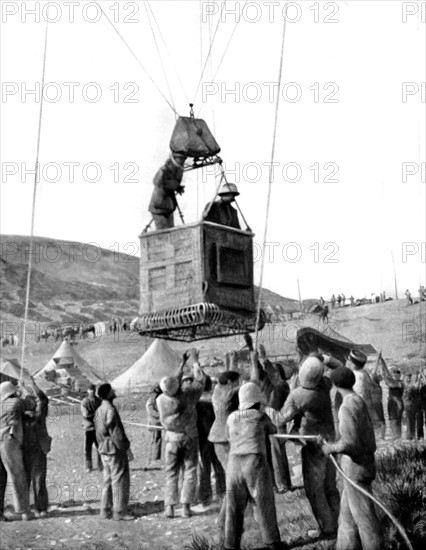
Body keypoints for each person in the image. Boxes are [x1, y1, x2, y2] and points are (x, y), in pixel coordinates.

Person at [266, 356, 340, 537]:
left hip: (314, 446)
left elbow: (279, 418)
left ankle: (328, 529)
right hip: (330, 441)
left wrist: (266, 407)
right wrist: (326, 358)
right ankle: (339, 524)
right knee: (330, 486)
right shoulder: (325, 384)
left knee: (315, 489)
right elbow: (339, 368)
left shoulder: (298, 395)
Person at [320, 366, 382, 550]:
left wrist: (330, 447)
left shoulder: (346, 407)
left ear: (334, 384)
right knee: (346, 519)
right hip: (360, 465)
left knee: (365, 520)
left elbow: (350, 443)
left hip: (356, 468)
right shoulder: (358, 400)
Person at [225, 378, 282, 550]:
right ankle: (272, 542)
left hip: (233, 464)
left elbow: (229, 438)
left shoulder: (231, 417)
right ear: (256, 401)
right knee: (263, 502)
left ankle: (230, 544)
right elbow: (274, 430)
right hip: (254, 461)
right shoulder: (261, 416)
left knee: (233, 505)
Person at [157, 349, 205, 519]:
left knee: (171, 473)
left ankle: (169, 507)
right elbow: (200, 381)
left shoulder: (161, 399)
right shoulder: (188, 395)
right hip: (189, 437)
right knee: (190, 471)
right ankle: (186, 507)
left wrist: (181, 364)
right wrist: (195, 362)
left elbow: (172, 385)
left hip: (171, 439)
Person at [94, 383, 132, 521]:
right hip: (113, 449)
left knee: (107, 480)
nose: (114, 391)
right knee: (119, 480)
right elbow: (116, 433)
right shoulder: (111, 410)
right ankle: (119, 512)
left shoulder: (99, 410)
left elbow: (98, 431)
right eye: (112, 390)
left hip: (103, 449)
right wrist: (125, 447)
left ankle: (105, 510)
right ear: (108, 393)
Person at [208, 370, 240, 529]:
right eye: (236, 381)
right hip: (223, 440)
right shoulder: (229, 394)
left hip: (219, 439)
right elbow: (250, 383)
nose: (238, 384)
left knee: (233, 480)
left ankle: (228, 517)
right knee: (233, 481)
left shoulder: (218, 390)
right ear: (229, 382)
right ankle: (222, 520)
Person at [0, 381, 31, 521]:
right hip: (9, 440)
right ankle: (22, 510)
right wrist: (23, 388)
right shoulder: (15, 402)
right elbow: (32, 403)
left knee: (1, 479)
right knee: (17, 474)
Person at [22, 376, 51, 517]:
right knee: (26, 480)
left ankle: (41, 508)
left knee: (39, 480)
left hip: (38, 449)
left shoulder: (39, 416)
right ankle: (27, 509)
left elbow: (44, 399)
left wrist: (32, 385)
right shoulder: (22, 417)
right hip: (25, 450)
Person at [195, 375, 226, 507]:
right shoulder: (216, 401)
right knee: (219, 467)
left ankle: (204, 498)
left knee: (204, 468)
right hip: (216, 437)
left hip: (203, 440)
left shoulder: (196, 403)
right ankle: (222, 494)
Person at [266, 363, 292, 494]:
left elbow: (273, 407)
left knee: (277, 455)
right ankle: (286, 483)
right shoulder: (283, 385)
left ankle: (282, 484)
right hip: (280, 423)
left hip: (276, 423)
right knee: (281, 455)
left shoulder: (278, 388)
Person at [148, 152, 187, 230]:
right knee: (162, 232)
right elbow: (156, 181)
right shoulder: (164, 169)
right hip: (158, 207)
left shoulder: (176, 170)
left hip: (168, 207)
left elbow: (171, 183)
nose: (183, 161)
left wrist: (177, 187)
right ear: (175, 158)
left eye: (184, 159)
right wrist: (174, 185)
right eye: (181, 159)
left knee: (170, 230)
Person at [380, 356, 404, 438]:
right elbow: (386, 376)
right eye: (394, 374)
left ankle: (397, 436)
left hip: (397, 403)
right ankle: (395, 436)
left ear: (399, 375)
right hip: (392, 402)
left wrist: (383, 363)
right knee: (392, 419)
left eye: (397, 374)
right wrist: (382, 362)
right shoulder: (393, 381)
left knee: (396, 420)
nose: (395, 376)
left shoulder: (400, 383)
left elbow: (389, 380)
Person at [81, 384, 102, 472]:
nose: (92, 392)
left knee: (100, 447)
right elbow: (85, 415)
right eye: (90, 390)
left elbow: (102, 413)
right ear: (88, 391)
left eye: (93, 390)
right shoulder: (84, 402)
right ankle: (88, 466)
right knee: (87, 448)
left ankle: (101, 465)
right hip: (88, 428)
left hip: (98, 428)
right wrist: (96, 417)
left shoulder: (99, 401)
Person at [145, 383, 163, 465]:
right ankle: (154, 458)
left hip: (157, 423)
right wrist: (161, 415)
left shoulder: (155, 398)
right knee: (155, 440)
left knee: (157, 440)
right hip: (154, 423)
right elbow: (151, 411)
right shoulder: (152, 399)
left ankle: (156, 457)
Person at [370, 353, 386, 439]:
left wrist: (381, 361)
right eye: (379, 375)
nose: (380, 375)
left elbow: (383, 372)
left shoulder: (377, 384)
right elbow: (374, 371)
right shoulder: (372, 382)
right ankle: (380, 437)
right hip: (374, 404)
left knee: (381, 422)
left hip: (378, 404)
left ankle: (381, 437)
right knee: (379, 422)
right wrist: (377, 359)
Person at [402, 373, 418, 440]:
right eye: (407, 378)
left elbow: (415, 396)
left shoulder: (412, 387)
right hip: (403, 405)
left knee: (412, 421)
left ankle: (412, 436)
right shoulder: (401, 386)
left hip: (411, 405)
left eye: (409, 378)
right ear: (404, 378)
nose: (408, 379)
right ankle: (406, 437)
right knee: (405, 421)